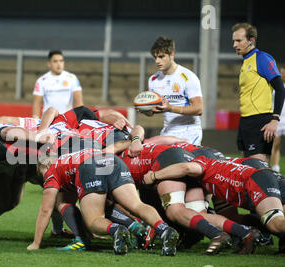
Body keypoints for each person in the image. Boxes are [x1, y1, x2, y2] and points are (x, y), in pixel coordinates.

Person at [28, 148, 181, 256]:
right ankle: (164, 230)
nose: (43, 178)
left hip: (90, 166)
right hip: (112, 160)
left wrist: (36, 243)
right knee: (136, 205)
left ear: (46, 165)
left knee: (94, 219)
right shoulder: (69, 158)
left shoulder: (51, 170)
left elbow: (45, 210)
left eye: (41, 173)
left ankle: (116, 230)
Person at [143, 155, 285, 251]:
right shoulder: (218, 170)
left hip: (256, 181)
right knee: (277, 219)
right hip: (269, 177)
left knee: (275, 223)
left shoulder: (203, 162)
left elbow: (186, 168)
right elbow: (229, 216)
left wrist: (155, 175)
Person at [232, 23, 285, 162]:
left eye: (238, 41)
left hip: (259, 121)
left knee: (258, 169)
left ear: (251, 41)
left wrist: (275, 119)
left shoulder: (261, 58)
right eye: (233, 41)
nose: (234, 45)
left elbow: (280, 88)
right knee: (246, 169)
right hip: (245, 121)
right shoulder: (245, 62)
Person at [144, 36, 204, 145]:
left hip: (189, 131)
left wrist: (170, 108)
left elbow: (198, 109)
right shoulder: (153, 80)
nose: (157, 61)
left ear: (172, 55)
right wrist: (146, 109)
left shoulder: (187, 77)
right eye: (155, 57)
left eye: (161, 57)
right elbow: (155, 110)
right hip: (168, 131)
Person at [32, 50, 83, 119]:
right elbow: (37, 103)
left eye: (61, 61)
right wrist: (35, 120)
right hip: (48, 121)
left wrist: (80, 119)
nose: (59, 64)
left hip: (67, 120)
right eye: (55, 61)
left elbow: (78, 102)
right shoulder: (41, 81)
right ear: (49, 64)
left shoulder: (72, 78)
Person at [270, 67, 285, 172]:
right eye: (281, 72)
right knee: (276, 144)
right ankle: (275, 167)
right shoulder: (276, 87)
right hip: (278, 118)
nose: (282, 74)